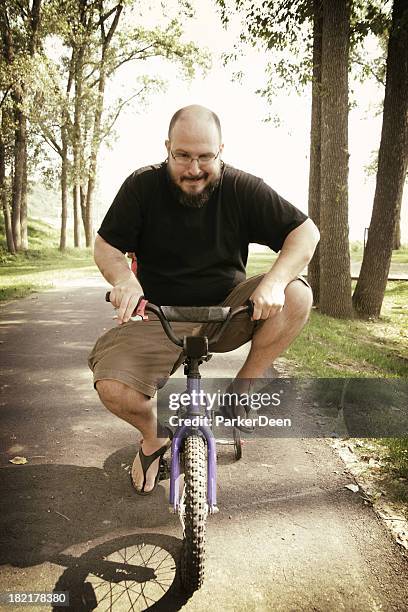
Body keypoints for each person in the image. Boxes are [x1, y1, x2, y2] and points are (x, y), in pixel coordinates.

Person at [88, 104, 320, 495]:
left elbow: (305, 232)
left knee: (297, 294)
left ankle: (242, 390)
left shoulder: (242, 187)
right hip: (158, 317)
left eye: (204, 157)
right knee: (113, 386)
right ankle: (155, 437)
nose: (193, 168)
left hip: (228, 313)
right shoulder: (141, 187)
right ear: (168, 149)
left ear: (220, 151)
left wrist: (276, 281)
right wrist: (124, 280)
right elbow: (107, 246)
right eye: (182, 156)